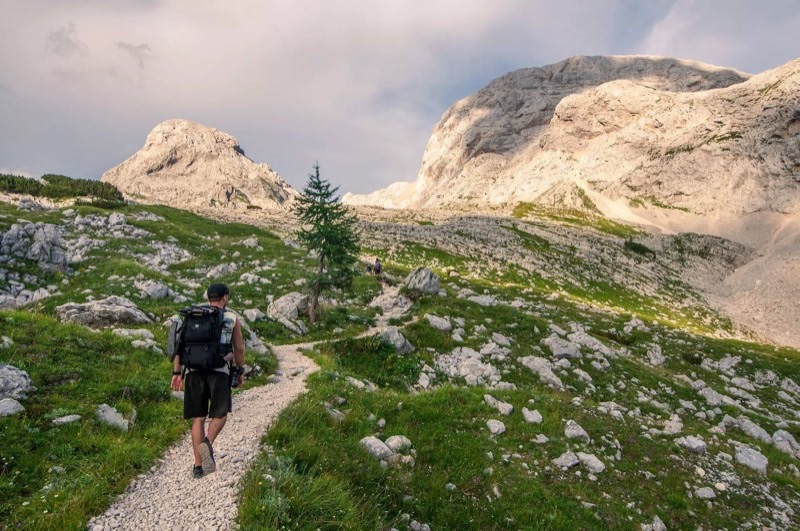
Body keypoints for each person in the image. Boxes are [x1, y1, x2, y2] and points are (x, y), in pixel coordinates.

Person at [170, 283, 245, 479]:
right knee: (220, 414)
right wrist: (239, 370)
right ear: (225, 297)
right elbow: (239, 348)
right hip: (219, 371)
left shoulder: (192, 315)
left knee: (198, 418)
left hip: (193, 371)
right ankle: (208, 443)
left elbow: (179, 346)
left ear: (208, 296)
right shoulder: (230, 318)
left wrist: (176, 373)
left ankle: (198, 467)